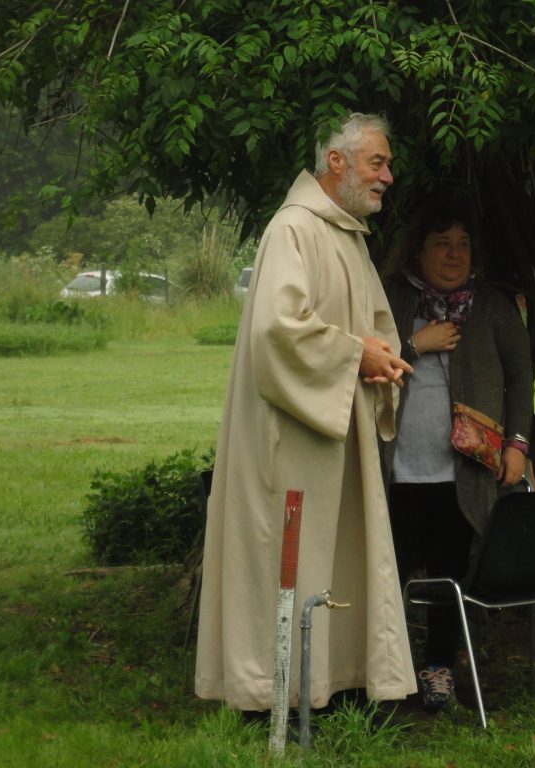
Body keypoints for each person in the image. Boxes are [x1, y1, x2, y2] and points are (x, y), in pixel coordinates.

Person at [195, 112, 418, 711]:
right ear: (336, 162)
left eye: (388, 163)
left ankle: (332, 684)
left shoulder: (345, 235)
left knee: (337, 561)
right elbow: (276, 333)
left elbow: (373, 327)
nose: (388, 176)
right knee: (286, 564)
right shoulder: (292, 230)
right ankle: (269, 699)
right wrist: (357, 356)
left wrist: (382, 357)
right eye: (378, 162)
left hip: (336, 437)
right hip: (288, 443)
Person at [381, 204, 534, 710]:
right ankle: (384, 673)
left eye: (462, 243)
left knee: (448, 575)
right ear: (419, 251)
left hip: (461, 474)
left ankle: (438, 668)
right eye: (441, 242)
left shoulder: (490, 307)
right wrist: (414, 344)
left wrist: (517, 444)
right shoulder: (392, 297)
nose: (453, 253)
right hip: (395, 474)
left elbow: (520, 378)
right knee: (387, 574)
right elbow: (363, 365)